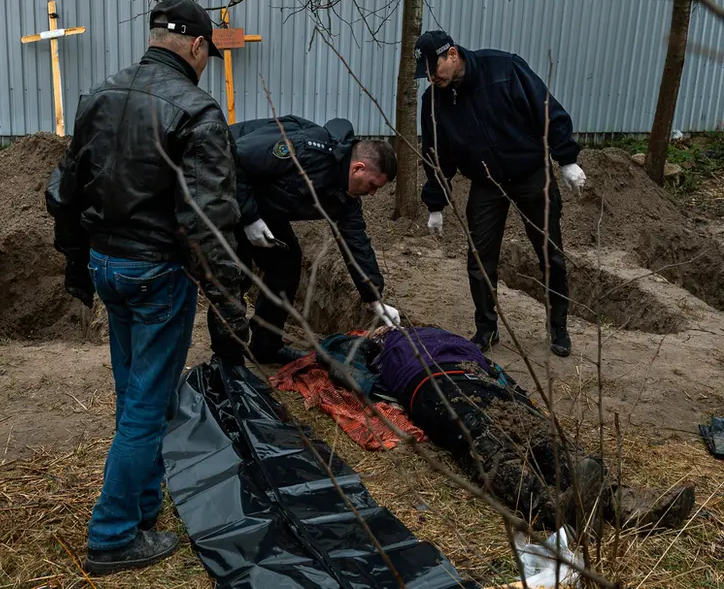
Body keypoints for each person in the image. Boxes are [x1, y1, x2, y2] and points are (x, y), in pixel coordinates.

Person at [46, 0, 248, 575]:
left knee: (134, 395)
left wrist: (76, 261)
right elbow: (207, 218)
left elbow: (64, 188)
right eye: (208, 51)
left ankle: (141, 508)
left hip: (109, 265)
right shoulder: (197, 110)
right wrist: (230, 301)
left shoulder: (100, 94)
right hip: (158, 274)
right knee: (146, 405)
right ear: (197, 46)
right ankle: (111, 535)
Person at [325, 325, 696, 532]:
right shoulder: (378, 350)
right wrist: (372, 341)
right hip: (432, 387)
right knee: (487, 441)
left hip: (483, 381)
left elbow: (492, 365)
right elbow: (339, 360)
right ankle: (553, 509)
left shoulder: (440, 334)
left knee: (542, 438)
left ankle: (626, 504)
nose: (389, 325)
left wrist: (522, 400)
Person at [415, 29, 587, 357]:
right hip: (485, 182)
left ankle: (558, 326)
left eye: (432, 70)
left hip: (531, 173)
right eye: (423, 74)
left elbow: (546, 109)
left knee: (549, 253)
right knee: (479, 257)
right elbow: (435, 153)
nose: (429, 79)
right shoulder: (434, 99)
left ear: (451, 55)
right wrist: (435, 203)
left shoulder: (504, 69)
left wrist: (566, 159)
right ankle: (486, 328)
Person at [208, 114, 402, 365]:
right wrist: (249, 218)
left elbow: (356, 243)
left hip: (262, 204)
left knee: (286, 262)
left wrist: (375, 299)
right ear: (358, 169)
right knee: (234, 274)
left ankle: (266, 348)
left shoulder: (346, 197)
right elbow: (233, 160)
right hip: (225, 188)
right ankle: (227, 362)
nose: (374, 194)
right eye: (374, 185)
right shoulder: (305, 150)